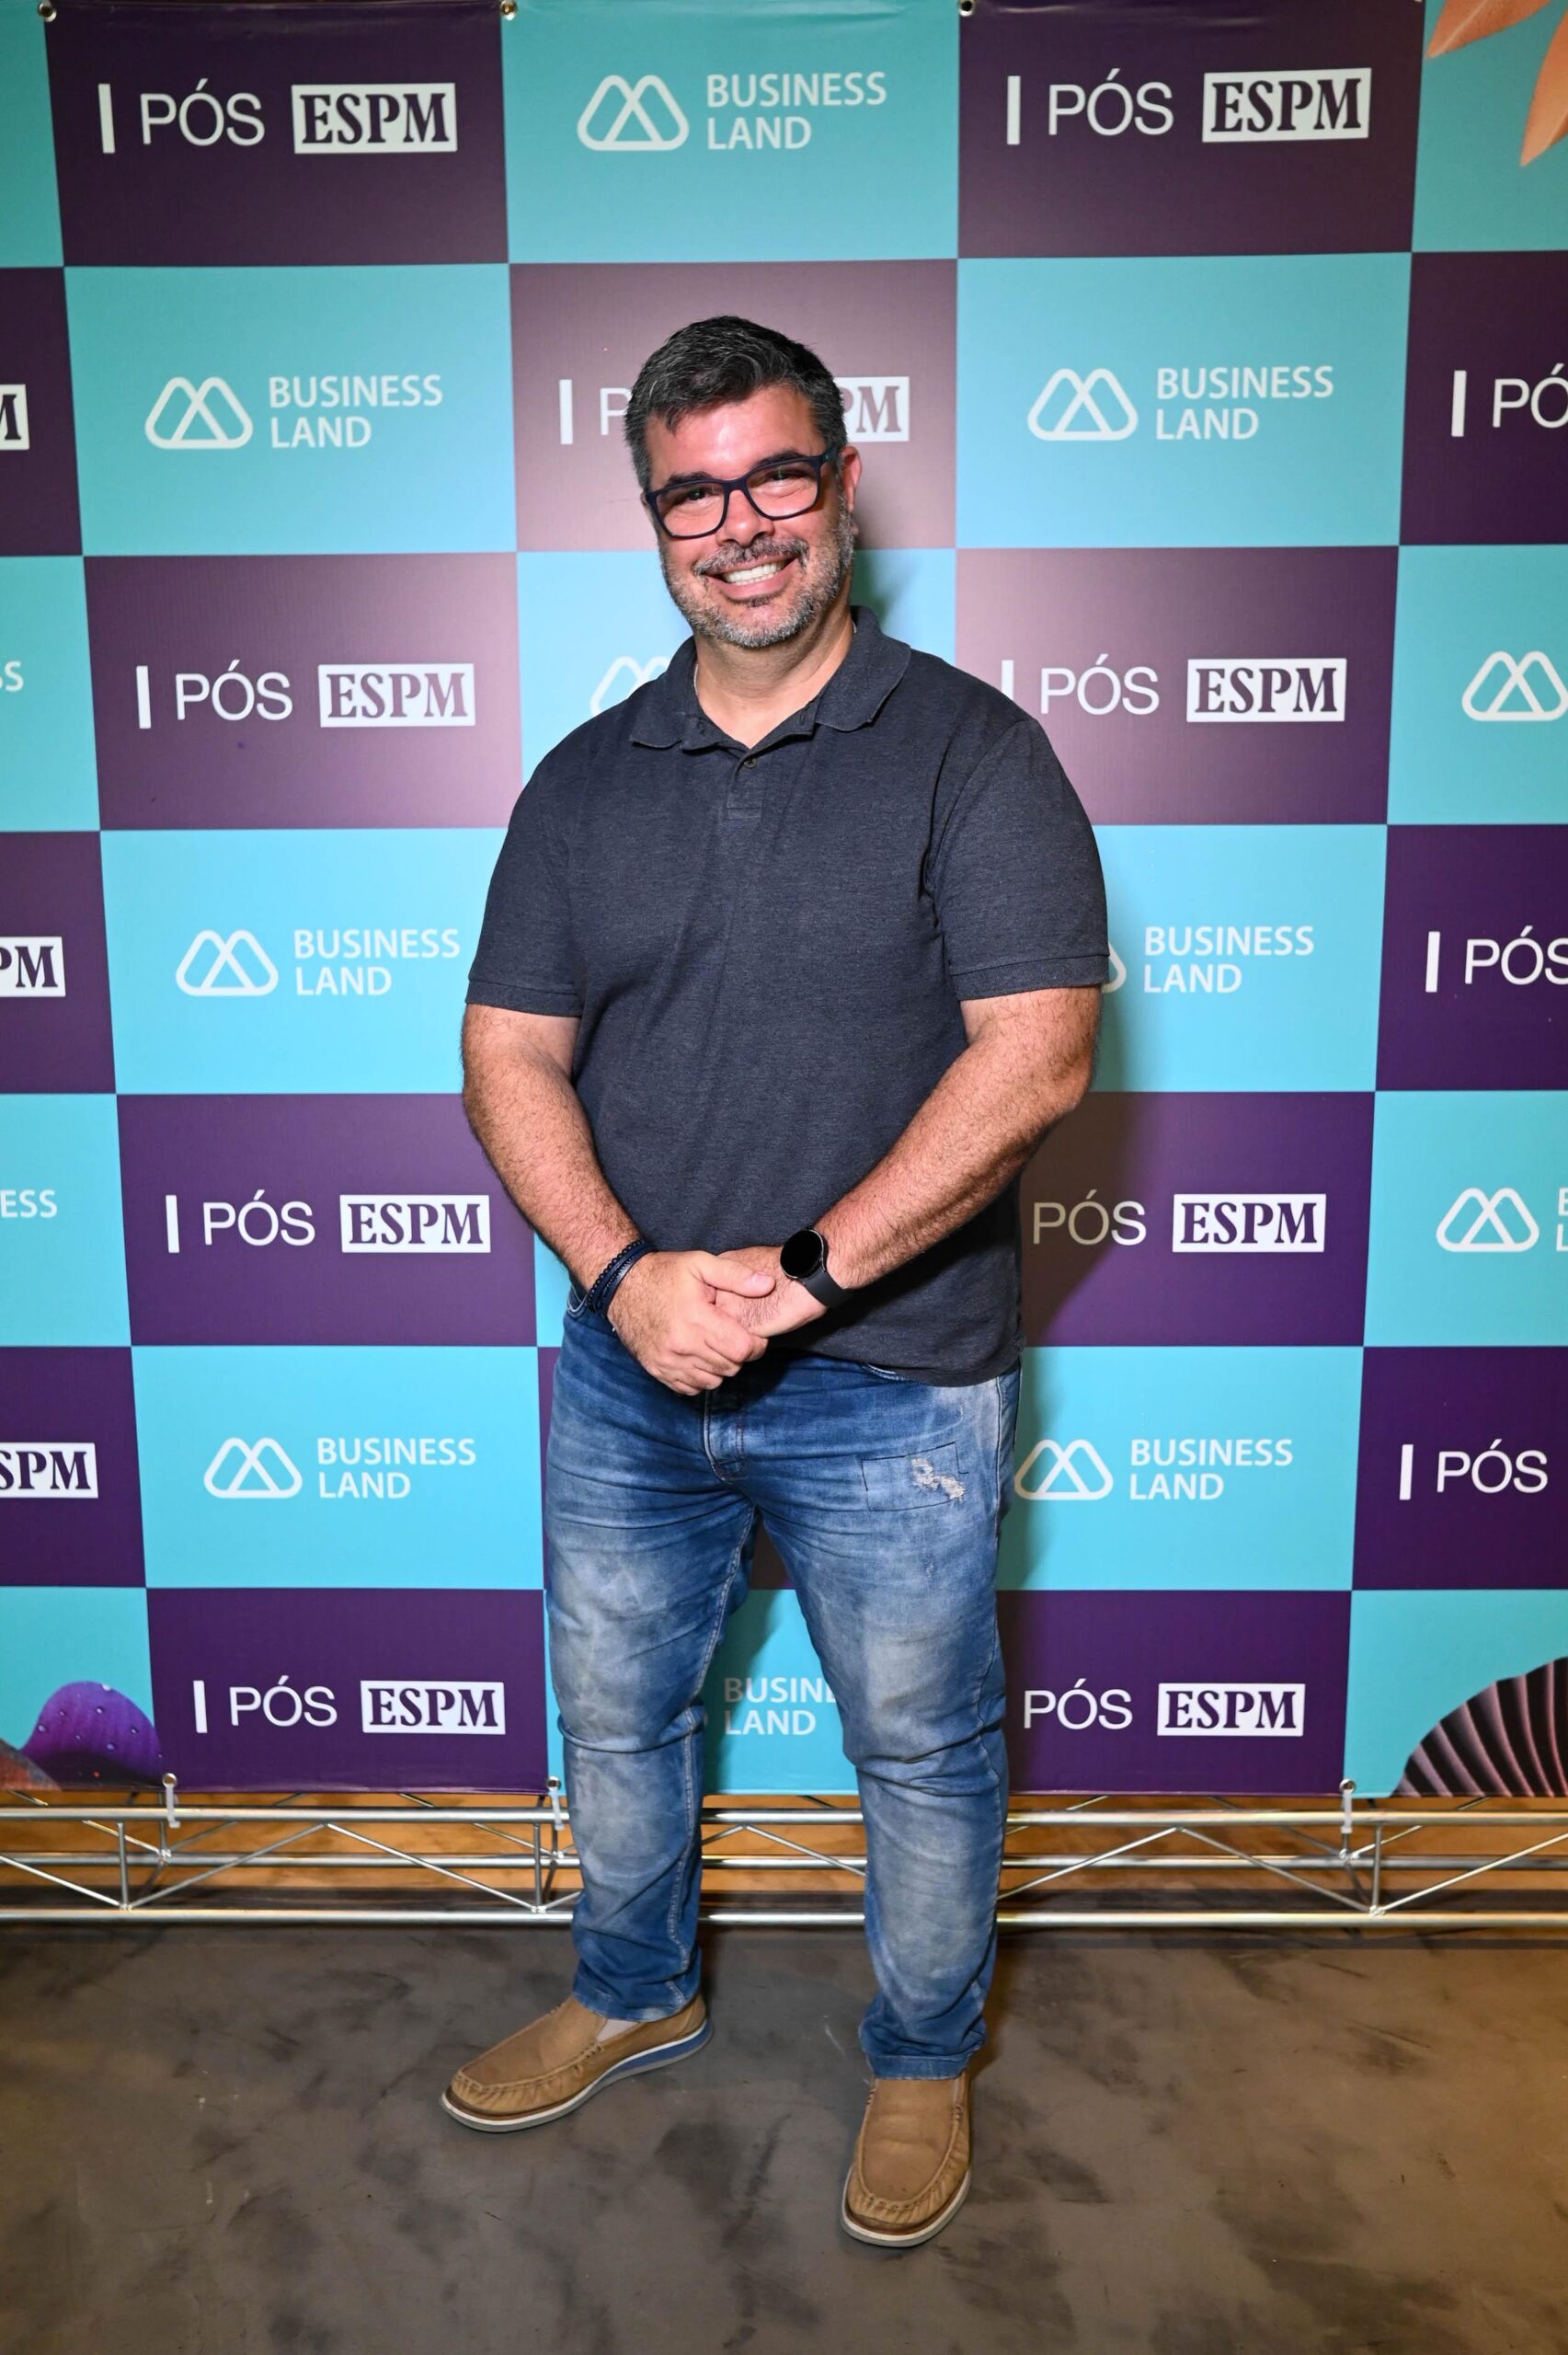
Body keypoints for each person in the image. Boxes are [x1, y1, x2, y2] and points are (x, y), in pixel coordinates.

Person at [449, 316, 1107, 2248]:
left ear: (841, 481)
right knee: (614, 1715)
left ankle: (920, 2055)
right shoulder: (584, 782)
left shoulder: (972, 752)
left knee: (917, 1743)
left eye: (775, 476)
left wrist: (799, 1281)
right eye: (693, 494)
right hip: (628, 1364)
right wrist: (626, 1277)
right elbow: (505, 1055)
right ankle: (631, 1986)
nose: (739, 525)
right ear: (654, 518)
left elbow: (1036, 1058)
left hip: (895, 1372)